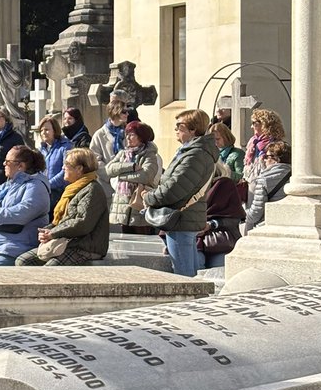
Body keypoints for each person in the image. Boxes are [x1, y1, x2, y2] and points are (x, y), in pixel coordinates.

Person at [143, 108, 218, 278]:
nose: (175, 129)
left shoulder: (195, 155)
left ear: (193, 129)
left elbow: (174, 188)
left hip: (182, 219)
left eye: (179, 126)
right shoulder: (192, 151)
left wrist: (149, 197)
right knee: (190, 273)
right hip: (185, 218)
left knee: (184, 275)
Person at [16, 147, 109, 266]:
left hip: (85, 247)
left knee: (50, 268)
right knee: (22, 261)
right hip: (67, 243)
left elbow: (82, 223)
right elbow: (62, 221)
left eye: (67, 164)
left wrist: (53, 233)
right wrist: (47, 230)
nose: (63, 168)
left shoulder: (92, 189)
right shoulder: (72, 189)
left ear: (79, 169)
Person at [105, 121, 161, 232]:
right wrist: (132, 166)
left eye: (132, 135)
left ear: (141, 137)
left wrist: (121, 176)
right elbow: (109, 169)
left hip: (139, 207)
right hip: (122, 208)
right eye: (127, 134)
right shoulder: (123, 154)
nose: (128, 138)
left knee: (141, 238)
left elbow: (146, 176)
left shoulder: (149, 155)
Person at [195, 163, 246, 269]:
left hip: (220, 240)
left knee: (217, 274)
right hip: (194, 239)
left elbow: (235, 218)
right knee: (194, 273)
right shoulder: (190, 186)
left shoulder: (225, 185)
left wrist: (211, 224)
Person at [244, 141, 292, 232]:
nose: (264, 160)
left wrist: (242, 215)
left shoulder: (264, 179)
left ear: (276, 159)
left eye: (266, 156)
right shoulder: (296, 176)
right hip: (290, 224)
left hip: (268, 225)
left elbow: (256, 213)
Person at [90, 100, 130, 198]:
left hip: (127, 182)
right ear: (115, 112)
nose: (127, 114)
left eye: (127, 111)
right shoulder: (99, 134)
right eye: (124, 112)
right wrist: (110, 175)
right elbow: (95, 160)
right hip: (107, 184)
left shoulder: (129, 132)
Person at [243, 108, 286, 194]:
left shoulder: (276, 145)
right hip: (251, 186)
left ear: (264, 124)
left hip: (267, 187)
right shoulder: (252, 142)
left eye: (254, 123)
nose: (252, 127)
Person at [37, 114, 71, 209]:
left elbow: (66, 171)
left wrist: (48, 185)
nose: (43, 133)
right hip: (44, 191)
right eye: (41, 130)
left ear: (55, 130)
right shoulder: (41, 150)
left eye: (47, 130)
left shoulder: (65, 147)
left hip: (59, 192)